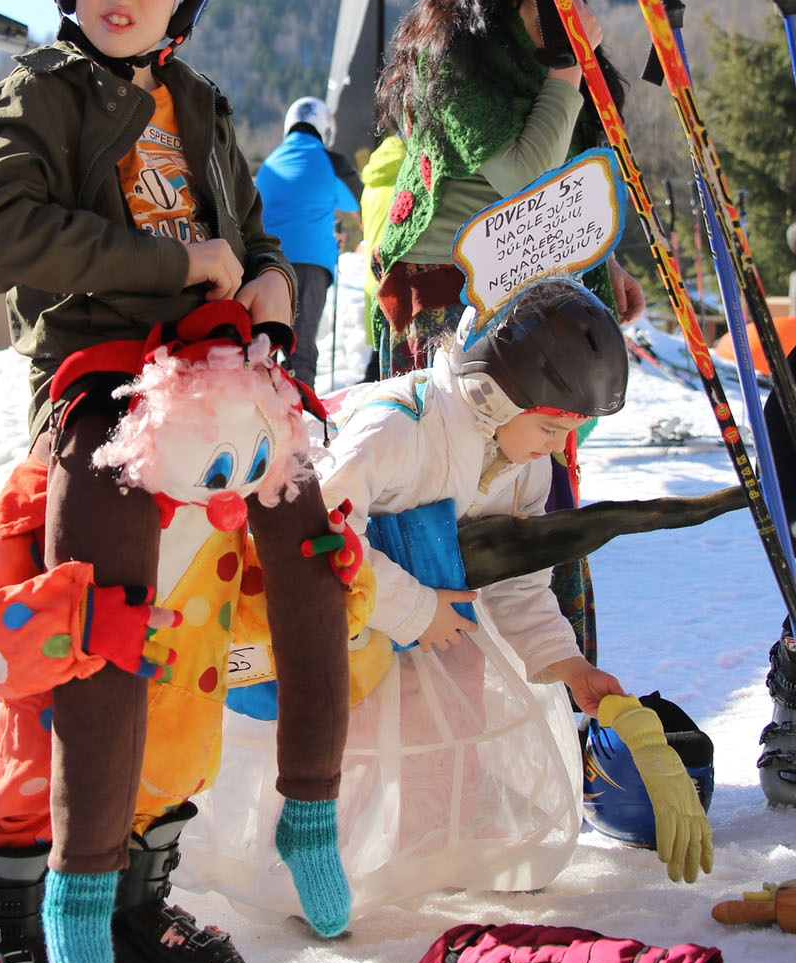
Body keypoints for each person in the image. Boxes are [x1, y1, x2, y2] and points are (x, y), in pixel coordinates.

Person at [0, 0, 351, 963]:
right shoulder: (45, 90)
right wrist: (174, 266)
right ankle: (23, 910)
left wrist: (273, 284)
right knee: (86, 620)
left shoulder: (202, 105)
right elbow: (1, 233)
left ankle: (221, 851)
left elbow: (251, 243)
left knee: (274, 581)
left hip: (216, 394)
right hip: (101, 394)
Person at [180, 278, 636, 918]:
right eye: (551, 426)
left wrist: (568, 664)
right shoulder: (397, 428)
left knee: (446, 735)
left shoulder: (527, 462)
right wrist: (416, 610)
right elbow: (320, 532)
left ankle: (432, 847)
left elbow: (517, 581)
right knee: (349, 748)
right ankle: (318, 861)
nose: (560, 446)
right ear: (494, 393)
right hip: (344, 631)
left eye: (572, 431)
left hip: (438, 636)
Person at [367, 0, 645, 659]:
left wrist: (610, 267)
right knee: (450, 497)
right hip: (450, 306)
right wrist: (567, 71)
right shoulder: (454, 52)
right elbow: (524, 173)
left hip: (538, 295)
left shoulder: (557, 43)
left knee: (539, 497)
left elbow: (575, 177)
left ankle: (554, 682)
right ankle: (443, 677)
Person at [253, 97, 362, 391]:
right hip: (311, 265)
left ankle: (261, 405)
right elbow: (355, 200)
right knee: (301, 348)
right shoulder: (332, 163)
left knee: (265, 345)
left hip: (267, 263)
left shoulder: (270, 163)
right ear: (325, 129)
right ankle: (301, 408)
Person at [358, 132, 405, 383]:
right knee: (395, 365)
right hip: (398, 276)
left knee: (381, 356)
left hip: (372, 275)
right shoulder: (408, 176)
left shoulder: (371, 182)